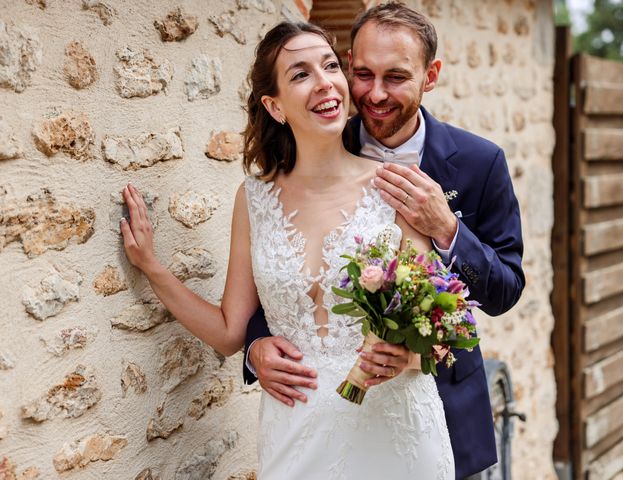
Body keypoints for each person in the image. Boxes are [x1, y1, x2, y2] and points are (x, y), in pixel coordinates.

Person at [121, 20, 454, 479]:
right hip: (294, 430)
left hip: (394, 431)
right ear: (274, 106)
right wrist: (152, 268)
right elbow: (228, 332)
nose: (324, 83)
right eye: (300, 74)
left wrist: (408, 356)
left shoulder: (396, 188)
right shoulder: (253, 199)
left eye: (331, 66)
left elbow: (434, 324)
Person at [243, 3, 525, 479]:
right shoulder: (322, 137)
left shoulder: (480, 162)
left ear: (430, 75)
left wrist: (447, 229)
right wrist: (254, 346)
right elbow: (284, 257)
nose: (374, 94)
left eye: (395, 77)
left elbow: (504, 290)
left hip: (442, 417)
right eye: (363, 73)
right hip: (322, 423)